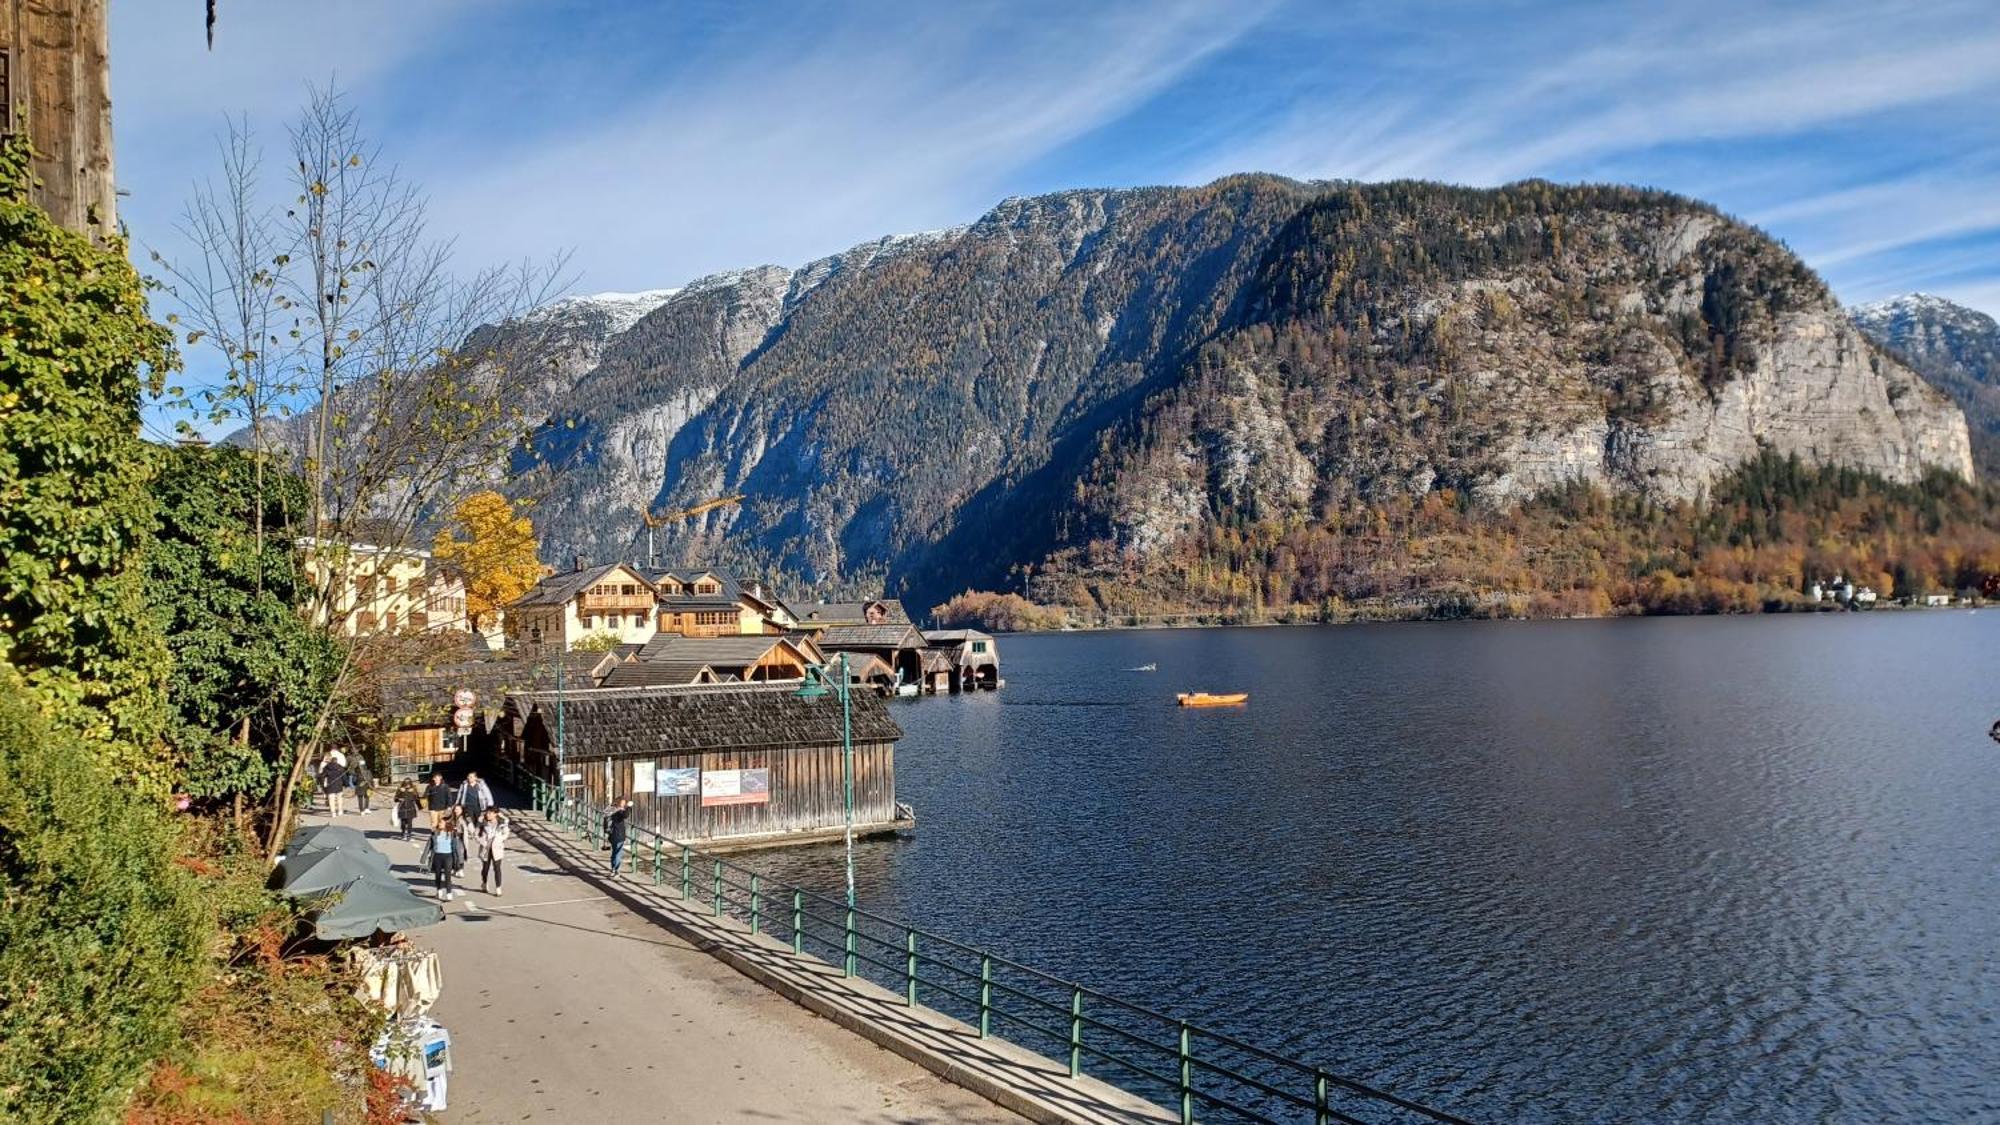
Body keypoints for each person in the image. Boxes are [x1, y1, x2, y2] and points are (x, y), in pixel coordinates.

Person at [477, 808, 510, 896]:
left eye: (490, 813)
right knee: (485, 869)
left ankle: (498, 887)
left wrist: (500, 839)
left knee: (497, 868)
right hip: (486, 848)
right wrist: (483, 842)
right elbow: (476, 834)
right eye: (487, 813)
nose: (488, 815)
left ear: (495, 814)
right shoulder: (482, 823)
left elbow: (506, 833)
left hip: (497, 848)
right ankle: (484, 883)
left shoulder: (501, 823)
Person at [426, 816, 459, 900]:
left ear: (446, 824)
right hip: (437, 855)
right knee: (437, 875)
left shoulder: (451, 833)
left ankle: (449, 893)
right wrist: (425, 857)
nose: (439, 824)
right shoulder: (435, 832)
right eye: (439, 822)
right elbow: (429, 845)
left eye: (441, 823)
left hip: (448, 856)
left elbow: (455, 847)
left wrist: (458, 858)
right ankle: (439, 890)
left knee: (448, 875)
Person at [606, 798, 631, 877]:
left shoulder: (610, 810)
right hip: (619, 834)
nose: (624, 804)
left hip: (612, 834)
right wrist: (629, 807)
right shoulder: (618, 811)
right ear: (619, 803)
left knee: (614, 852)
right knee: (618, 853)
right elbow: (625, 815)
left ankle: (613, 868)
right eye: (623, 803)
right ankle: (616, 870)